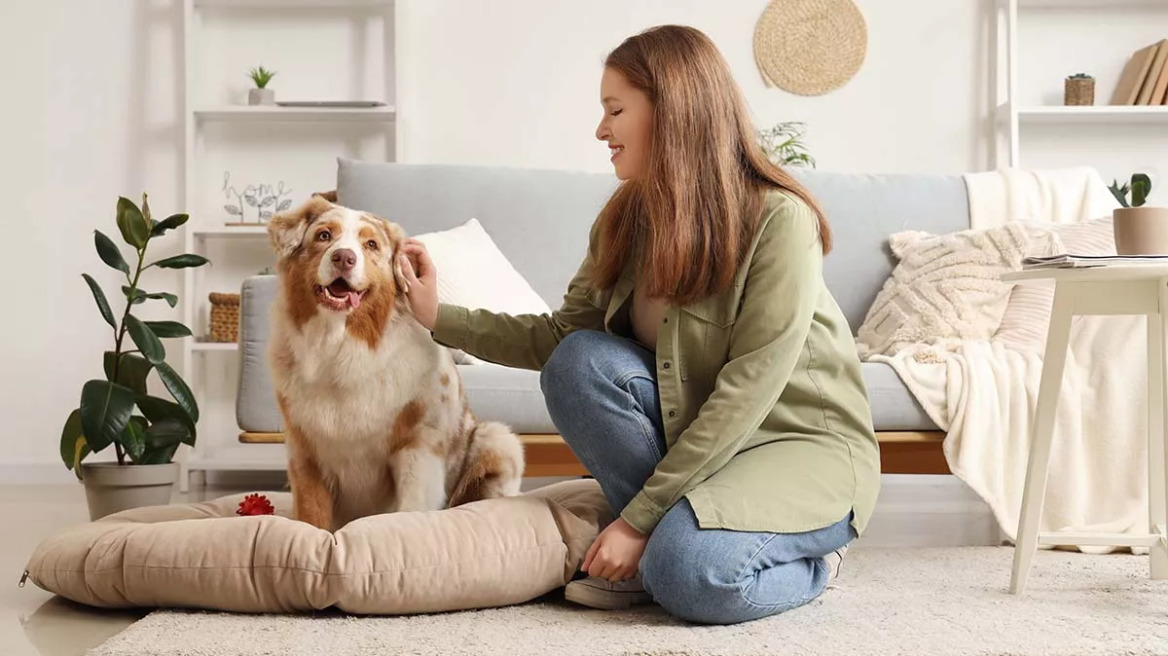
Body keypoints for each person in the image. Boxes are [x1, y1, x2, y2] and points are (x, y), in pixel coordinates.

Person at [398, 24, 880, 626]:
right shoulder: (624, 220)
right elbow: (561, 340)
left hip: (794, 447)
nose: (601, 130)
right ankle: (659, 551)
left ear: (672, 111)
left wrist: (635, 520)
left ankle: (814, 564)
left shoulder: (780, 219)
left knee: (691, 575)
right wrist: (438, 316)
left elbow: (746, 391)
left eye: (615, 110)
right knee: (579, 362)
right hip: (704, 450)